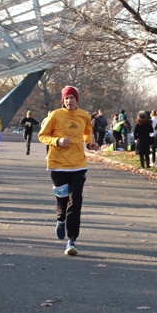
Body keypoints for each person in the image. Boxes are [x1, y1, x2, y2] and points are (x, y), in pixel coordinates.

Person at [38, 86, 99, 255]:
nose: (69, 100)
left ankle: (72, 240)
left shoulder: (84, 115)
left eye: (72, 97)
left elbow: (87, 132)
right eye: (66, 98)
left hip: (78, 164)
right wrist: (57, 141)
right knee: (62, 200)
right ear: (63, 100)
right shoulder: (55, 115)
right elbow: (42, 136)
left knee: (75, 201)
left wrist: (89, 144)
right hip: (58, 164)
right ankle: (61, 219)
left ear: (76, 100)